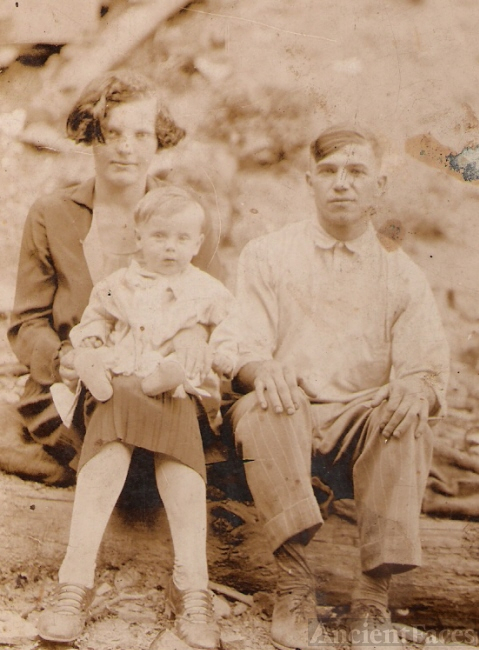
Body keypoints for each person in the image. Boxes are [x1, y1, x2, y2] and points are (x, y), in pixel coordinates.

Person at [227, 125, 450, 650]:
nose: (341, 184)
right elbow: (236, 346)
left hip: (359, 431)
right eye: (328, 172)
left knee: (406, 409)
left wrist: (415, 389)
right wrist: (263, 369)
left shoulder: (402, 273)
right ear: (310, 180)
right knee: (268, 402)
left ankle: (372, 597)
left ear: (380, 186)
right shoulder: (267, 254)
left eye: (356, 172)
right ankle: (295, 584)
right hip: (284, 425)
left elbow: (429, 370)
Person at [36, 186, 237, 649]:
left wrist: (202, 337)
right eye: (159, 235)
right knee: (119, 387)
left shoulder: (207, 292)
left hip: (178, 396)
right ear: (139, 238)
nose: (170, 246)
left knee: (173, 392)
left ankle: (192, 587)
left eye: (181, 238)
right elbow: (93, 322)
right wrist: (90, 345)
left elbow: (232, 335)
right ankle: (75, 582)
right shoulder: (116, 285)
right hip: (116, 392)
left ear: (197, 242)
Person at [8, 69, 220, 481]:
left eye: (141, 135)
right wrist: (63, 357)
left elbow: (213, 309)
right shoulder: (52, 214)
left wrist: (195, 335)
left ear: (159, 140)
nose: (125, 148)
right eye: (111, 132)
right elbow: (27, 323)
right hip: (74, 387)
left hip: (163, 387)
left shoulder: (188, 215)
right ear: (90, 135)